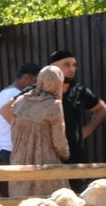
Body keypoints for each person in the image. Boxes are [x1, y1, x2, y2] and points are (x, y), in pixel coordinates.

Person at [4, 66, 69, 198]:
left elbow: (13, 132)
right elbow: (59, 140)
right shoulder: (53, 105)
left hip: (19, 160)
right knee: (50, 203)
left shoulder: (20, 101)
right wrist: (65, 154)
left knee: (20, 202)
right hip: (44, 162)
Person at [46, 49, 106, 164]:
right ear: (52, 67)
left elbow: (102, 109)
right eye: (67, 65)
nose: (72, 69)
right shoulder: (39, 90)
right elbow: (10, 109)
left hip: (74, 156)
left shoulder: (79, 90)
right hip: (46, 155)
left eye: (74, 65)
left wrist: (85, 131)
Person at [0, 62, 40, 163]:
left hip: (5, 150)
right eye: (35, 81)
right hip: (17, 151)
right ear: (25, 78)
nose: (37, 86)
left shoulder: (3, 93)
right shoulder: (18, 95)